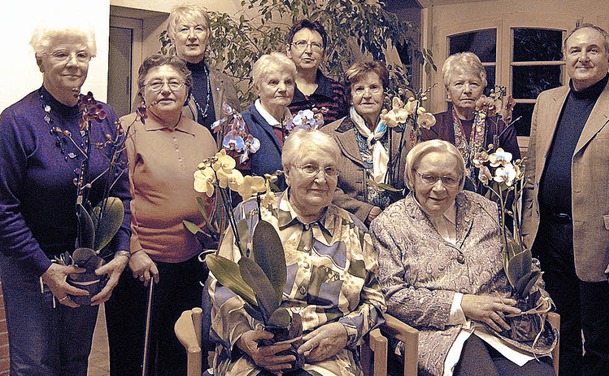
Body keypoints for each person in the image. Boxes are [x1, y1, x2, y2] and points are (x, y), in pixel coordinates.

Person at [0, 20, 131, 375]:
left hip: (84, 263)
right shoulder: (15, 122)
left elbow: (120, 195)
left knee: (75, 362)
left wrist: (120, 253)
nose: (74, 62)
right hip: (30, 266)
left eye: (82, 54)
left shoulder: (104, 119)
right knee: (34, 365)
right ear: (42, 62)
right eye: (61, 54)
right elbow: (3, 208)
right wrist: (45, 268)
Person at [207, 129, 386, 375]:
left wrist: (345, 331)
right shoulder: (251, 216)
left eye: (330, 170)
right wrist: (244, 339)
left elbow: (375, 301)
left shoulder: (354, 230)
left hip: (327, 359)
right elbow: (220, 287)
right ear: (288, 173)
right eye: (310, 168)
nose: (321, 179)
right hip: (257, 353)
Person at [372, 140, 556, 376]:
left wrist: (538, 295)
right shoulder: (389, 225)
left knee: (540, 374)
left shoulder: (486, 208)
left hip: (503, 327)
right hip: (437, 335)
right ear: (412, 178)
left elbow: (522, 263)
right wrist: (460, 304)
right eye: (429, 178)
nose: (439, 188)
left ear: (460, 182)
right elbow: (391, 296)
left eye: (448, 179)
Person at [522, 23, 609, 376]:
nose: (583, 57)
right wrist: (527, 232)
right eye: (575, 50)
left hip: (602, 244)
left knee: (601, 340)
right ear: (565, 58)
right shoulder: (547, 101)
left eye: (592, 50)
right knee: (559, 331)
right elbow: (532, 174)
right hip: (548, 239)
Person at [105, 54, 217, 376]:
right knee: (134, 357)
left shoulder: (204, 135)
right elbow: (117, 198)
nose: (165, 90)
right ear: (142, 92)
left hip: (190, 264)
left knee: (178, 353)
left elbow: (214, 196)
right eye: (155, 84)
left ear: (186, 91)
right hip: (143, 266)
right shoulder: (127, 130)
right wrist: (135, 250)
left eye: (174, 83)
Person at [322, 61, 408, 225]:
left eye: (374, 87)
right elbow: (325, 184)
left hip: (398, 224)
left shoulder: (404, 133)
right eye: (359, 89)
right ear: (351, 97)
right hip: (346, 224)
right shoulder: (329, 135)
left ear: (384, 94)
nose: (367, 95)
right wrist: (364, 211)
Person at [420, 52, 520, 192]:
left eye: (474, 84)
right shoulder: (434, 125)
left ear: (483, 87)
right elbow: (426, 176)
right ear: (448, 90)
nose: (467, 90)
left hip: (492, 208)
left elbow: (513, 177)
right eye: (459, 84)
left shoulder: (499, 126)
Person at [167, 3, 240, 136]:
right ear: (172, 37)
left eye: (199, 29)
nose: (192, 36)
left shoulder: (225, 83)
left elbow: (236, 130)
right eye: (184, 29)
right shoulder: (159, 82)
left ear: (208, 35)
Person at [240, 52, 296, 187]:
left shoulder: (300, 125)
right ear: (257, 88)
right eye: (273, 82)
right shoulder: (242, 126)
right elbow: (237, 187)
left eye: (288, 82)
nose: (282, 88)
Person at [286, 18, 348, 123]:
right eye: (301, 43)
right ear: (289, 50)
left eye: (315, 45)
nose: (308, 51)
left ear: (323, 54)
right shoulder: (281, 90)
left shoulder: (338, 91)